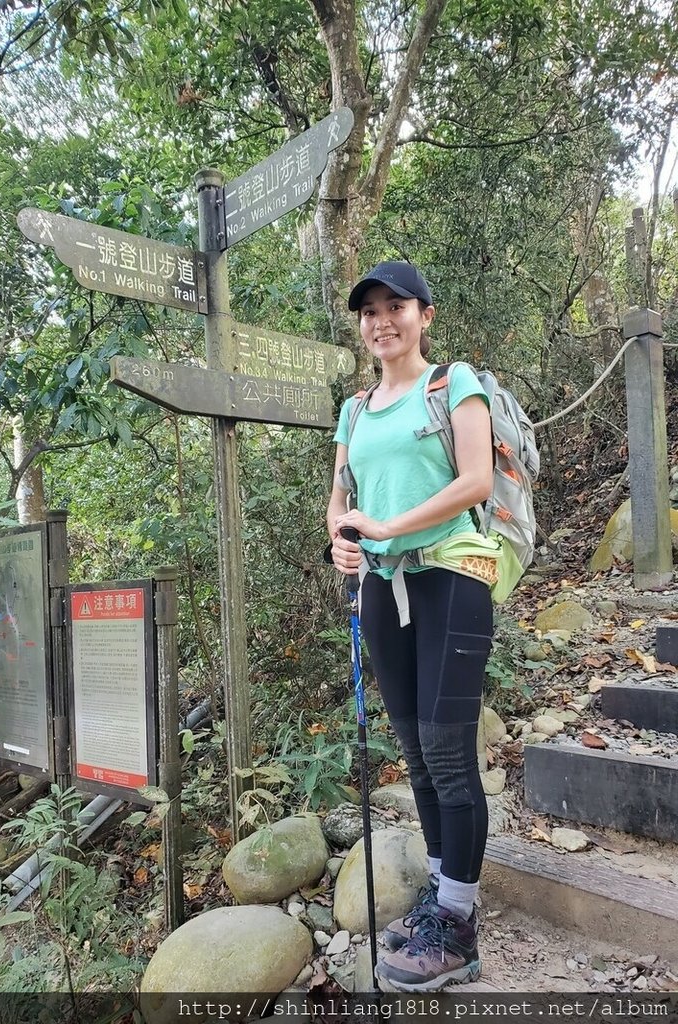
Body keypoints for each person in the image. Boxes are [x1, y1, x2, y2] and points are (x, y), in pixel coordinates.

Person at [327, 260, 497, 992]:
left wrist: (388, 525)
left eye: (396, 306)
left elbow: (475, 480)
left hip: (453, 576)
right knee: (416, 753)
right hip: (382, 588)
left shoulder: (452, 383)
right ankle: (439, 896)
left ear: (425, 315)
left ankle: (458, 923)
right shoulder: (355, 409)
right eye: (369, 310)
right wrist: (341, 536)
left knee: (447, 749)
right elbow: (340, 498)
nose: (381, 320)